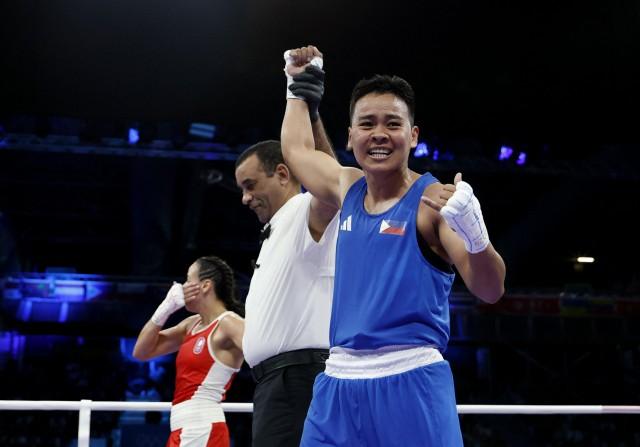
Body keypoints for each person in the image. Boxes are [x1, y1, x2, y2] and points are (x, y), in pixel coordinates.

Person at [281, 46, 506, 446]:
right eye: (367, 124)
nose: (379, 134)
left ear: (413, 135)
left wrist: (476, 235)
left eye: (392, 123)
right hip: (338, 383)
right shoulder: (345, 185)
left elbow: (490, 289)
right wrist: (298, 89)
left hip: (412, 379)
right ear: (350, 136)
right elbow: (297, 151)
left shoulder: (433, 202)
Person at [234, 47, 340, 447]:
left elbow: (331, 184)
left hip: (300, 379)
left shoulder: (301, 211)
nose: (245, 198)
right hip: (277, 383)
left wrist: (304, 100)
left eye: (250, 185)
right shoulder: (277, 229)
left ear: (282, 174)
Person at [133, 255, 244, 447]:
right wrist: (165, 308)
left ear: (205, 285)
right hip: (183, 429)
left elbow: (264, 351)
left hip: (202, 428)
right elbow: (141, 351)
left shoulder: (229, 323)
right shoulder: (191, 325)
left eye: (188, 280)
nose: (182, 287)